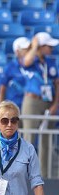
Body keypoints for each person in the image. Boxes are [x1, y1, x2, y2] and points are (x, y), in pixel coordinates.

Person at [21, 32, 59, 178]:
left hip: (48, 101)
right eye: (48, 46)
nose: (51, 48)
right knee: (29, 137)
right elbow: (26, 61)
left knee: (46, 140)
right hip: (32, 101)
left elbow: (57, 84)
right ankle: (24, 174)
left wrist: (55, 104)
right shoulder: (32, 60)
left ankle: (45, 175)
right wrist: (34, 45)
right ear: (41, 46)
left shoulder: (50, 62)